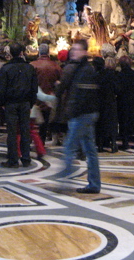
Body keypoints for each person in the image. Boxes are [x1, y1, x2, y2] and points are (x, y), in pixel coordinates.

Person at [55, 39, 101, 194]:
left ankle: (64, 184)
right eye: (72, 49)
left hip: (81, 114)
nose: (73, 52)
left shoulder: (84, 70)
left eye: (77, 49)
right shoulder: (84, 68)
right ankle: (94, 184)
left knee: (69, 148)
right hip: (87, 113)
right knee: (90, 150)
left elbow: (82, 95)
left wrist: (71, 111)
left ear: (84, 52)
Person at [0, 42, 37, 168]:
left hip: (10, 103)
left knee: (12, 132)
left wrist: (1, 103)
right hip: (25, 103)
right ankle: (26, 158)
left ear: (10, 54)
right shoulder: (29, 68)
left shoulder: (6, 68)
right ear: (21, 53)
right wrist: (31, 102)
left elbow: (1, 88)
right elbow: (34, 87)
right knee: (25, 131)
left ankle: (13, 159)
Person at [31, 42, 63, 144]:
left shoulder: (32, 65)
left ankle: (34, 143)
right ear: (48, 52)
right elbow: (61, 82)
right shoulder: (56, 66)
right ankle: (43, 141)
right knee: (46, 121)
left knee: (33, 124)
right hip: (49, 99)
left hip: (35, 99)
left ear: (39, 52)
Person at [94, 56, 120, 153]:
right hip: (110, 102)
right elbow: (117, 89)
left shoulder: (95, 76)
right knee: (112, 124)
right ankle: (113, 144)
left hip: (99, 103)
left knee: (100, 124)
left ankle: (100, 145)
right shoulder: (111, 75)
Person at [117, 56, 134, 150]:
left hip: (123, 102)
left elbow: (118, 89)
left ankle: (125, 142)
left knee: (124, 122)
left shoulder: (120, 75)